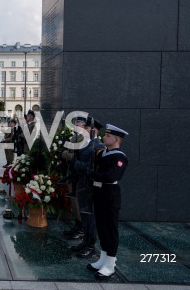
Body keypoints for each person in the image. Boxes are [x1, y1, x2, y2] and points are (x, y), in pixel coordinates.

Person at [86, 124, 129, 280]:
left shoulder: (120, 157)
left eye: (108, 136)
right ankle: (103, 258)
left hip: (110, 194)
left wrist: (92, 174)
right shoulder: (103, 153)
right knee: (102, 227)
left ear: (116, 139)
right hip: (99, 193)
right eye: (105, 135)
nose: (104, 137)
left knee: (110, 229)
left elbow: (111, 176)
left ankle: (110, 264)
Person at [69, 117, 105, 258]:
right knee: (84, 215)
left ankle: (90, 245)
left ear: (93, 130)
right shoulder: (84, 144)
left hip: (90, 187)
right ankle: (85, 242)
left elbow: (92, 167)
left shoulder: (98, 146)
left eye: (86, 128)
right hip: (81, 184)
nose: (83, 130)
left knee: (91, 218)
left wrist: (77, 165)